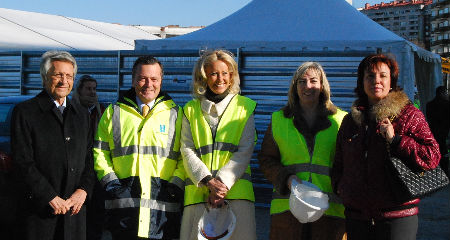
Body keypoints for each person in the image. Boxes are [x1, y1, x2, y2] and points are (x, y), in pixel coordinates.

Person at [331, 54, 441, 240]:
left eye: (383, 75)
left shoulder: (408, 115)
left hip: (397, 216)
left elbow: (432, 156)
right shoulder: (351, 121)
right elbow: (339, 162)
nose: (377, 81)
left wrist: (396, 140)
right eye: (370, 76)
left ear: (392, 81)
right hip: (357, 216)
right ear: (361, 82)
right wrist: (341, 187)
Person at [93, 56, 184, 240]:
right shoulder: (113, 112)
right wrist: (113, 185)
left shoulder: (177, 114)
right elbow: (100, 153)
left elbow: (185, 155)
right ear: (133, 80)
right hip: (123, 212)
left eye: (154, 79)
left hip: (163, 213)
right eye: (142, 78)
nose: (148, 84)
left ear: (161, 80)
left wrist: (175, 185)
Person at [11, 50, 95, 240]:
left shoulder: (81, 114)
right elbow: (23, 161)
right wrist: (49, 196)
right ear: (44, 77)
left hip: (74, 213)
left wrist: (83, 190)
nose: (64, 81)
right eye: (58, 75)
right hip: (39, 213)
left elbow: (90, 158)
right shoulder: (26, 112)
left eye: (69, 76)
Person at [258, 62, 347, 240]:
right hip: (287, 211)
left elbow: (350, 164)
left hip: (329, 211)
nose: (308, 86)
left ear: (322, 85)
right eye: (302, 81)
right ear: (294, 86)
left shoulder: (341, 120)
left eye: (314, 81)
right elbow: (266, 160)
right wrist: (287, 179)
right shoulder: (279, 119)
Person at [180, 50, 257, 240]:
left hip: (236, 196)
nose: (220, 79)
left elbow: (245, 150)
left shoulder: (245, 107)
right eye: (214, 73)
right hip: (199, 196)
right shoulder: (190, 109)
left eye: (225, 73)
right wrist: (208, 181)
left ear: (232, 77)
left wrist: (221, 186)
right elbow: (186, 149)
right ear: (203, 77)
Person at [72, 75, 107, 240]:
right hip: (78, 169)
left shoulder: (102, 111)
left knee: (96, 218)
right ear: (79, 90)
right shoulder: (72, 111)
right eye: (88, 88)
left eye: (94, 89)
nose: (92, 92)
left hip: (97, 170)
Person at [426, 86, 450, 177]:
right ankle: (445, 172)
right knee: (444, 153)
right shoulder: (447, 104)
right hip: (444, 133)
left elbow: (429, 118)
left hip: (433, 132)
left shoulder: (429, 104)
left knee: (433, 152)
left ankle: (434, 172)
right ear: (443, 93)